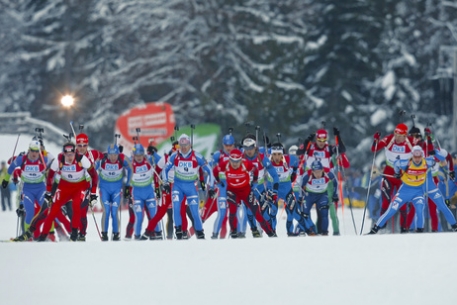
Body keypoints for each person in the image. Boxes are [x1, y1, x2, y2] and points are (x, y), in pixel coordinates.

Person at [368, 146, 452, 234]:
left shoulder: (426, 163)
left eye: (419, 157)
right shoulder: (402, 167)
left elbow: (441, 165)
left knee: (418, 211)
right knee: (391, 212)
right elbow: (378, 193)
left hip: (415, 194)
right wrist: (376, 207)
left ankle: (407, 229)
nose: (417, 159)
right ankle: (381, 229)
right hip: (398, 197)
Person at [161, 134, 215, 239]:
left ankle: (200, 233)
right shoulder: (174, 156)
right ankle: (179, 231)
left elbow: (209, 171)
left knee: (195, 212)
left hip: (191, 187)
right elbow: (165, 169)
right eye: (181, 145)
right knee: (176, 208)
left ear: (190, 144)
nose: (184, 147)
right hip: (178, 186)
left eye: (186, 145)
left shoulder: (197, 156)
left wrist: (211, 187)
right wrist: (166, 183)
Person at [214, 149, 276, 238]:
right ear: (229, 159)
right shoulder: (225, 164)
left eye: (237, 161)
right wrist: (218, 182)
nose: (235, 164)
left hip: (245, 191)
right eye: (232, 161)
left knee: (257, 212)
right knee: (232, 211)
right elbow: (215, 171)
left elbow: (255, 170)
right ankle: (234, 232)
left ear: (241, 159)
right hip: (232, 191)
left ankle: (270, 232)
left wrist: (254, 181)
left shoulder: (246, 163)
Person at [371, 123, 416, 233]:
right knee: (385, 201)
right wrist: (376, 140)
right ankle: (382, 226)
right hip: (388, 176)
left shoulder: (411, 141)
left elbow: (423, 151)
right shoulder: (389, 139)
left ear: (405, 136)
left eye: (400, 136)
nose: (397, 138)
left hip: (403, 178)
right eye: (396, 134)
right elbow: (374, 149)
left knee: (403, 204)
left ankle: (403, 228)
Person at [2, 140, 48, 232]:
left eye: (36, 151)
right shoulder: (22, 159)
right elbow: (11, 166)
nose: (34, 153)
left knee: (46, 210)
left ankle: (48, 233)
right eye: (32, 150)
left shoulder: (43, 159)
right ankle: (26, 235)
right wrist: (6, 180)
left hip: (40, 188)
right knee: (30, 212)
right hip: (27, 189)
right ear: (29, 150)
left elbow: (53, 168)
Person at [268, 142, 311, 236]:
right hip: (273, 190)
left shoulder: (289, 159)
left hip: (286, 190)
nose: (276, 157)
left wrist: (294, 174)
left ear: (282, 154)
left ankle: (308, 231)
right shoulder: (267, 161)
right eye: (274, 154)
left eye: (279, 154)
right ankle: (272, 233)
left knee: (295, 212)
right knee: (273, 211)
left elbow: (297, 163)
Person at [96, 144, 132, 241]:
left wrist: (128, 185)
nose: (113, 157)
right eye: (111, 155)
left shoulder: (122, 158)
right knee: (106, 210)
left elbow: (131, 168)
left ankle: (116, 234)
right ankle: (104, 234)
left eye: (115, 155)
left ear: (118, 154)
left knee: (115, 211)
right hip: (104, 189)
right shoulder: (102, 159)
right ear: (108, 154)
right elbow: (92, 169)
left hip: (117, 189)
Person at [75, 133, 104, 241]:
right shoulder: (72, 155)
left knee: (82, 211)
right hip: (73, 187)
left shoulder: (93, 154)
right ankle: (74, 231)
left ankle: (82, 234)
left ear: (87, 145)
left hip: (87, 187)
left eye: (84, 145)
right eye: (79, 145)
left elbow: (104, 156)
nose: (82, 148)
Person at [207, 133, 236, 239]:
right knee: (222, 212)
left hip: (234, 187)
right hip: (222, 187)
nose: (228, 147)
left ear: (233, 145)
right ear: (223, 145)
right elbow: (209, 169)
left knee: (234, 212)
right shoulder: (218, 154)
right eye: (226, 145)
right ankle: (214, 235)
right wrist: (213, 184)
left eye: (230, 145)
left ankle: (235, 233)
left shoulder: (237, 154)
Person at [301, 160, 338, 235]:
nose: (317, 174)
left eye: (319, 172)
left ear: (322, 170)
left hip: (322, 195)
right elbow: (301, 186)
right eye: (315, 172)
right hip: (310, 195)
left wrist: (335, 194)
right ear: (312, 171)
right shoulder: (307, 175)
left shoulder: (328, 172)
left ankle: (324, 232)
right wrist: (301, 197)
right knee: (305, 213)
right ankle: (310, 230)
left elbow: (335, 183)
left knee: (324, 212)